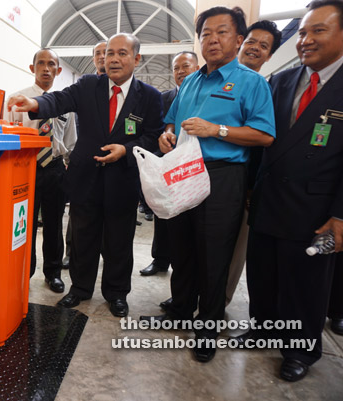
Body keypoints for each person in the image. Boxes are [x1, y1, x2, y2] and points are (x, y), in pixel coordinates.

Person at [140, 6, 276, 364]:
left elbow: (264, 134)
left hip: (222, 175)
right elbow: (171, 123)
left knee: (214, 255)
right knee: (181, 245)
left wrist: (219, 130)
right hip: (183, 168)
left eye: (221, 32)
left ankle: (208, 328)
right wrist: (167, 137)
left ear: (238, 39)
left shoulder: (252, 82)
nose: (212, 40)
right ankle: (181, 307)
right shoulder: (192, 81)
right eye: (205, 34)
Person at [7, 33, 164, 317]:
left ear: (136, 58)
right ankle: (79, 289)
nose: (113, 59)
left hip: (122, 180)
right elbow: (60, 99)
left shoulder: (149, 97)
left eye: (122, 53)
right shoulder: (89, 85)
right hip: (86, 178)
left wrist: (126, 150)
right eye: (109, 53)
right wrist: (34, 105)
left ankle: (116, 293)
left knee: (119, 240)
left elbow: (153, 137)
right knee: (82, 237)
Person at [245, 0, 343, 382]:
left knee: (305, 284)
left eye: (318, 30)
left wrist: (340, 215)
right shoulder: (281, 81)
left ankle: (299, 350)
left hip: (315, 210)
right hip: (269, 200)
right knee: (263, 274)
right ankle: (262, 327)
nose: (305, 40)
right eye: (302, 32)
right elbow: (262, 140)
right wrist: (251, 189)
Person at [4, 48, 77, 293]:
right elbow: (8, 133)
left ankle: (53, 273)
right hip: (25, 167)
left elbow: (70, 140)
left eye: (51, 64)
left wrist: (66, 166)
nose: (46, 68)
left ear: (58, 70)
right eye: (41, 63)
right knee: (24, 225)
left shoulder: (65, 104)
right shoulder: (16, 100)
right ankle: (24, 270)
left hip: (55, 169)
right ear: (32, 68)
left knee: (55, 223)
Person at [225, 20, 282, 305]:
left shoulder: (269, 88)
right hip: (205, 177)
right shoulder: (216, 79)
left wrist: (251, 187)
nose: (255, 49)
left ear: (270, 55)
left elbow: (265, 142)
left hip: (246, 183)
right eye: (251, 42)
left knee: (234, 249)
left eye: (264, 46)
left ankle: (216, 304)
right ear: (239, 42)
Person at [140, 51, 199, 278]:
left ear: (197, 69)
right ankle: (160, 260)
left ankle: (182, 270)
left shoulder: (202, 96)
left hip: (192, 170)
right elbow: (154, 129)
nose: (181, 71)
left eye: (186, 66)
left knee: (186, 224)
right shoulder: (162, 98)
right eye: (176, 68)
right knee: (162, 216)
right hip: (165, 165)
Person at [63, 40, 108, 270]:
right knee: (78, 215)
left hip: (112, 162)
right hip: (84, 159)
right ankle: (72, 253)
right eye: (98, 53)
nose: (102, 56)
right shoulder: (85, 86)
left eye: (106, 52)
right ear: (93, 59)